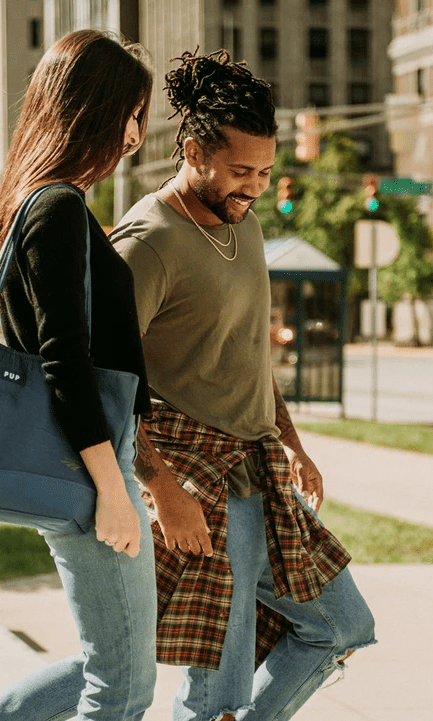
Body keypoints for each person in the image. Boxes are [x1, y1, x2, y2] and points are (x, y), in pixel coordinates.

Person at [109, 49, 377, 721]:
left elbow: (246, 354)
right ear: (192, 148)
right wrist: (159, 484)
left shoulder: (245, 225)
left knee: (339, 624)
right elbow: (102, 376)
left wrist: (291, 440)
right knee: (213, 694)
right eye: (238, 171)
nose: (253, 186)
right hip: (204, 489)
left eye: (263, 171)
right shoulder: (149, 240)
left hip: (262, 475)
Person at [0, 29, 156, 721]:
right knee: (123, 687)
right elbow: (64, 360)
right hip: (88, 470)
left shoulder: (42, 200)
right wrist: (112, 489)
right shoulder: (57, 206)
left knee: (112, 664)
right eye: (132, 112)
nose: (137, 132)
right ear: (93, 110)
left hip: (91, 465)